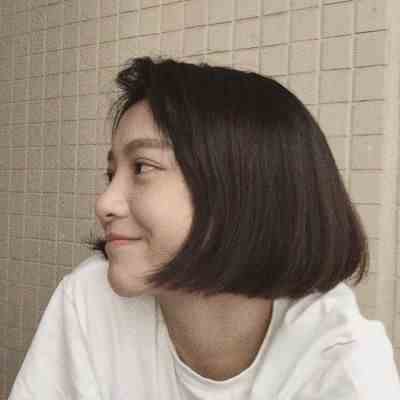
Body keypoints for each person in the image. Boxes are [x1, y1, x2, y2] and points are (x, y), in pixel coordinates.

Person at [9, 56, 400, 399]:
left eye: (142, 168)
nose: (104, 203)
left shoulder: (342, 363)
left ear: (244, 188)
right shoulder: (90, 297)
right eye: (111, 175)